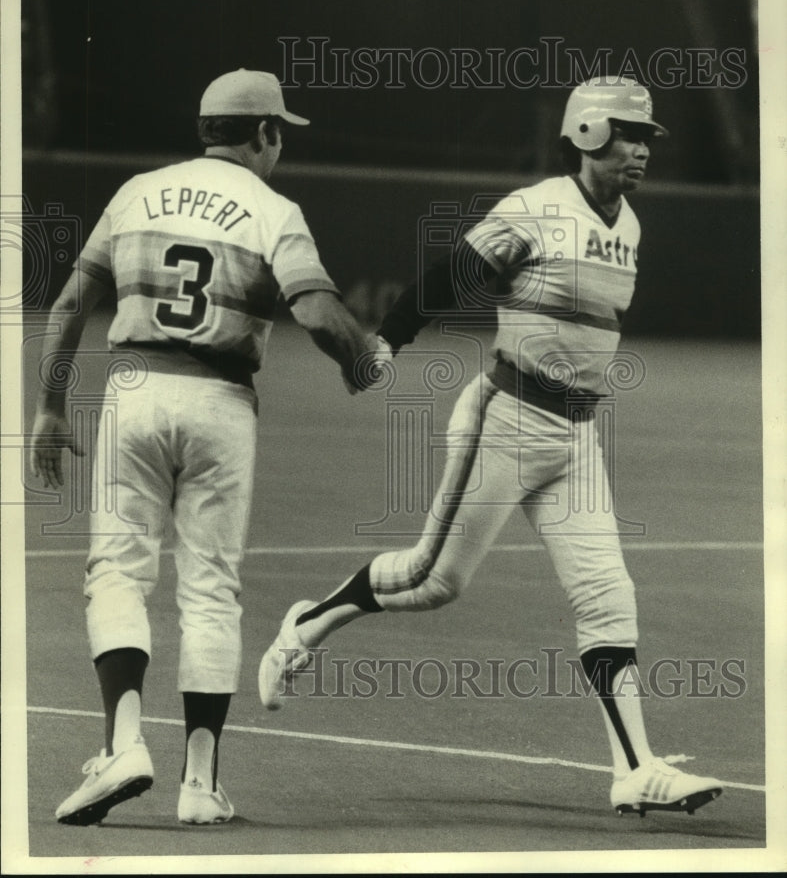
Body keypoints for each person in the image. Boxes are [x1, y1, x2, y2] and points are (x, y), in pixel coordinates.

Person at [258, 77, 724, 818]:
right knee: (431, 579)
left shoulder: (628, 223)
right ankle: (306, 626)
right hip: (504, 419)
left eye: (645, 139)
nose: (640, 150)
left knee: (608, 598)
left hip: (575, 435)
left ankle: (635, 769)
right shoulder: (536, 207)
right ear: (585, 135)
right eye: (628, 135)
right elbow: (455, 274)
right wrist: (389, 344)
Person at [30, 68, 378, 826]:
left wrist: (51, 406)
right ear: (262, 134)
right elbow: (316, 312)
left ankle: (123, 743)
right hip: (221, 402)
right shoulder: (272, 208)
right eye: (278, 131)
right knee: (209, 590)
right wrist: (361, 359)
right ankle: (200, 783)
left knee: (117, 573)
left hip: (134, 393)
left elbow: (68, 302)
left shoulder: (134, 193)